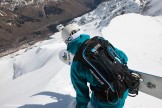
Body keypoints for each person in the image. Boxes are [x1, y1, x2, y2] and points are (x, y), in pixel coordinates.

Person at [57, 23, 129, 108]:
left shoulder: (76, 65)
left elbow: (82, 96)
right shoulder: (99, 40)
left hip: (108, 101)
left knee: (94, 98)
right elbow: (124, 57)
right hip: (124, 87)